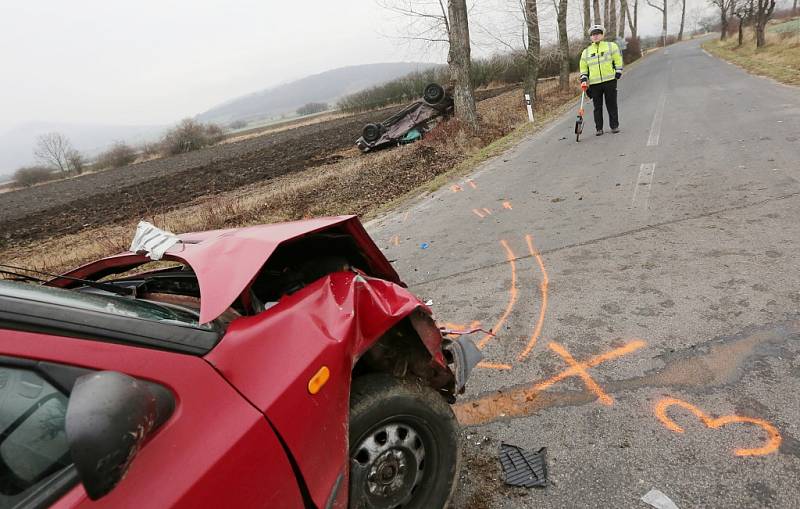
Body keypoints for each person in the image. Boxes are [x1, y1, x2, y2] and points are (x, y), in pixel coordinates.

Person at [579, 25, 624, 136]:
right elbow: (583, 68)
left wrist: (618, 72)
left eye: (598, 34)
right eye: (593, 35)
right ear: (591, 37)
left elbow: (618, 59)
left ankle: (614, 126)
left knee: (611, 104)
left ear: (602, 35)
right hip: (594, 84)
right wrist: (584, 79)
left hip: (610, 81)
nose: (595, 36)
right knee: (597, 107)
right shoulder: (586, 52)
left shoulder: (611, 46)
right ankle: (599, 128)